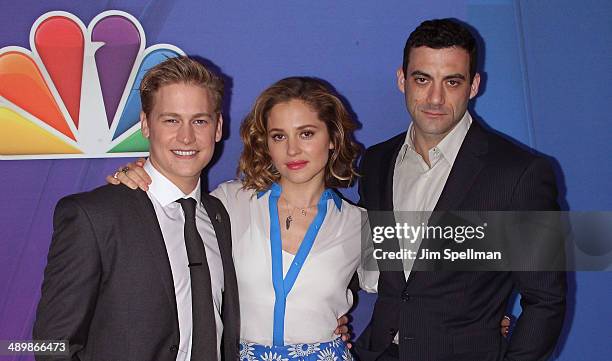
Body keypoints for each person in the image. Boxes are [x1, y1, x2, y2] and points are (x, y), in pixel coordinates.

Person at [108, 77, 367, 360]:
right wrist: (133, 175)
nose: (292, 150)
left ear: (332, 138)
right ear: (266, 143)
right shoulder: (230, 202)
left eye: (306, 134)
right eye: (279, 136)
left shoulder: (361, 223)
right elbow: (168, 202)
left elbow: (412, 290)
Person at [353, 19, 567, 361]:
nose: (435, 98)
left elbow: (546, 300)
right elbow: (366, 260)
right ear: (401, 80)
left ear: (473, 85)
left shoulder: (519, 173)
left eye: (452, 82)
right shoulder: (377, 161)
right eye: (422, 79)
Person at [33, 57, 239, 361]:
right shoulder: (95, 217)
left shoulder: (220, 214)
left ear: (218, 127)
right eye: (171, 120)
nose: (186, 137)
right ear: (145, 124)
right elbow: (50, 346)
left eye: (200, 121)